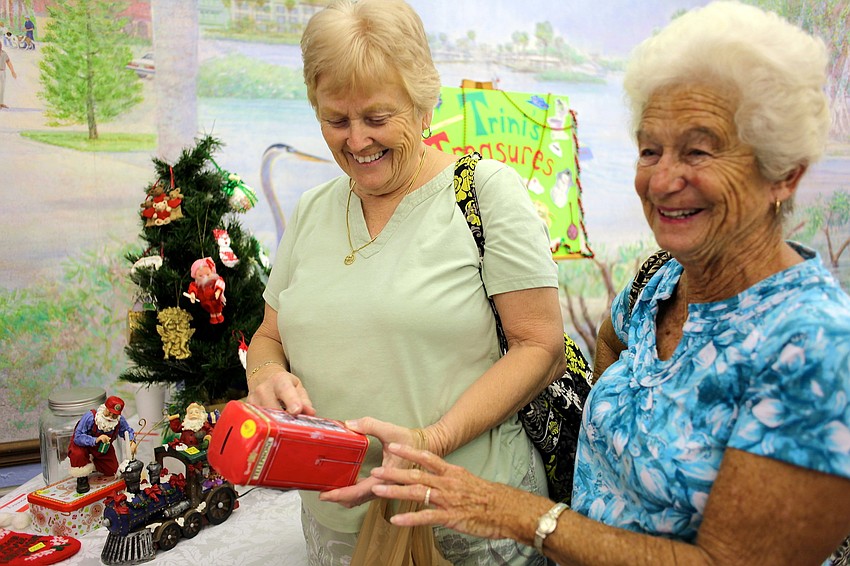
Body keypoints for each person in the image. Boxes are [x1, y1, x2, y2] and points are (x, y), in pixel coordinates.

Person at [362, 3, 850, 565]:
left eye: (698, 149)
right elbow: (614, 339)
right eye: (650, 149)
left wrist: (517, 513)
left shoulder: (815, 346)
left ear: (783, 173)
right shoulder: (661, 280)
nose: (663, 181)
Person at [244, 0, 564, 563]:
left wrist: (429, 443)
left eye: (376, 118)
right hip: (335, 519)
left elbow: (541, 347)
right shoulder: (314, 209)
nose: (357, 141)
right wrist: (266, 373)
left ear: (422, 103)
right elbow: (271, 336)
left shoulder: (487, 192)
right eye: (336, 120)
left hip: (466, 516)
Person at [68, 396, 137, 494]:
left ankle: (94, 464)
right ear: (105, 407)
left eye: (114, 415)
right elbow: (78, 437)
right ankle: (82, 478)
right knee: (77, 454)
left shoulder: (119, 421)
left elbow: (127, 430)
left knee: (111, 469)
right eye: (109, 412)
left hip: (102, 447)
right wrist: (96, 439)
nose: (110, 417)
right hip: (83, 445)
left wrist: (132, 441)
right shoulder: (90, 417)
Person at [183, 257, 226, 324]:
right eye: (200, 275)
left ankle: (219, 314)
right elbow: (193, 287)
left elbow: (220, 282)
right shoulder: (197, 284)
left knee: (217, 306)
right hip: (205, 301)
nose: (205, 277)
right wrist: (192, 294)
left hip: (215, 298)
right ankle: (213, 316)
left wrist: (218, 291)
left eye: (208, 274)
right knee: (210, 308)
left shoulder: (214, 280)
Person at [0, 42, 16, 110]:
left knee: (2, 88)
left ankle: (1, 103)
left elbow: (8, 62)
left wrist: (12, 71)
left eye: (0, 45)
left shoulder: (4, 53)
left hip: (2, 72)